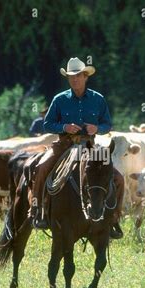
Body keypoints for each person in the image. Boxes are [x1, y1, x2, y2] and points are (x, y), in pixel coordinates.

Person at [30, 57, 124, 239]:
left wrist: (97, 128)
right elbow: (48, 124)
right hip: (64, 144)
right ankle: (38, 209)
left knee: (118, 178)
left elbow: (107, 124)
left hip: (90, 146)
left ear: (85, 76)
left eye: (78, 76)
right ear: (68, 78)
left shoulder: (98, 99)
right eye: (71, 77)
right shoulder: (59, 99)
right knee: (42, 167)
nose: (74, 79)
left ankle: (113, 218)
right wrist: (64, 127)